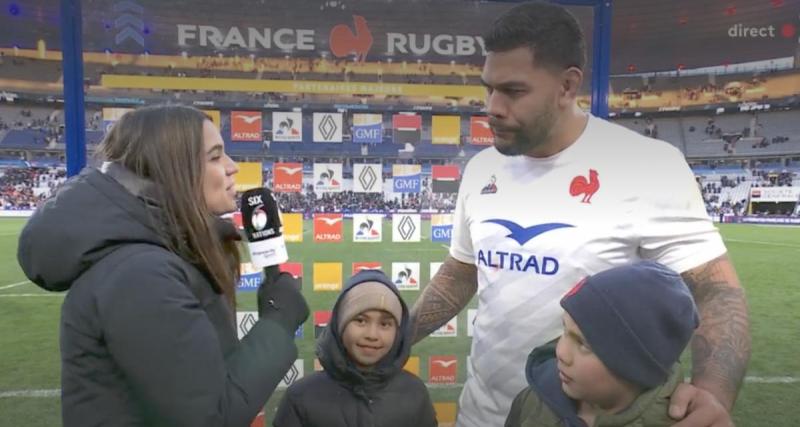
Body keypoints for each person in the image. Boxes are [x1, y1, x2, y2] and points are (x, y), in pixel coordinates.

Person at [409, 3, 749, 427]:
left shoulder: (646, 165)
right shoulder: (482, 170)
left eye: (513, 91)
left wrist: (712, 395)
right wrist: (397, 339)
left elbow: (717, 293)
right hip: (480, 416)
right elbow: (462, 273)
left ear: (568, 85)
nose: (492, 107)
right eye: (489, 88)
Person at [17, 105, 309, 426]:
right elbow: (208, 417)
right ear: (173, 170)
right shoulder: (141, 276)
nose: (232, 167)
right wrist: (278, 323)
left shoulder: (160, 259)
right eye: (215, 157)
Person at [505, 261, 699, 426]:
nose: (561, 352)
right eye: (565, 331)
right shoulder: (533, 402)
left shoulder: (675, 420)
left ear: (635, 366)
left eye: (583, 343)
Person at [273, 269, 437, 427]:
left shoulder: (415, 394)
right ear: (340, 325)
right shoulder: (301, 397)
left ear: (398, 332)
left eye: (385, 324)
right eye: (360, 320)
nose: (372, 334)